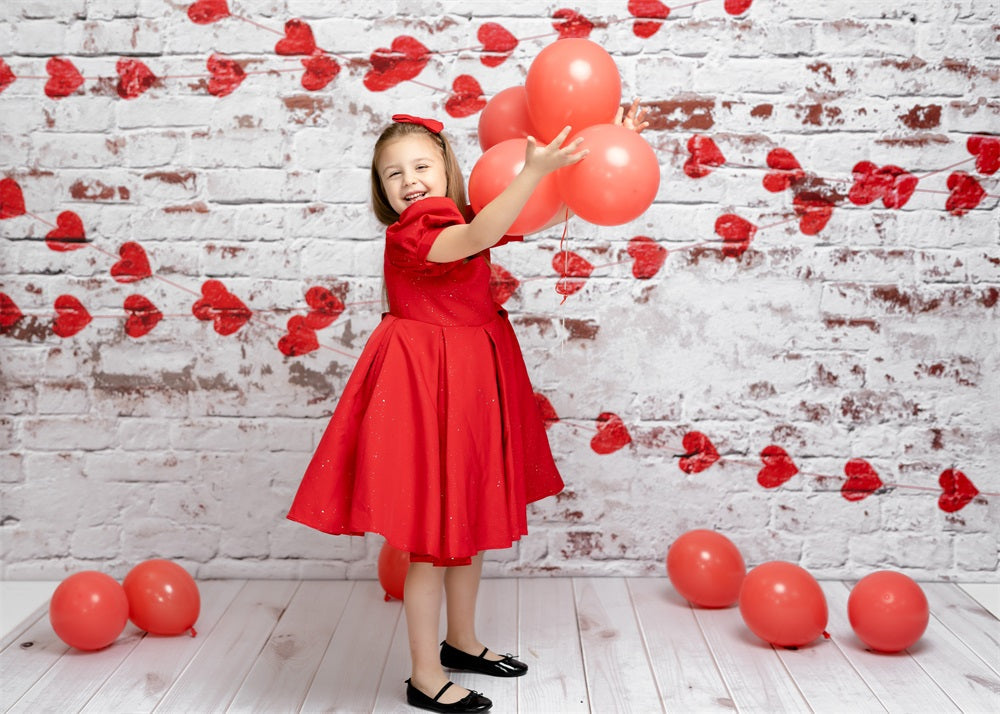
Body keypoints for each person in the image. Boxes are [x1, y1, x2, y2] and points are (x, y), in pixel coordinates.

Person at [288, 102, 648, 713]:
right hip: (427, 385)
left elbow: (538, 215)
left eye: (421, 165)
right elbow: (479, 238)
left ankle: (462, 641)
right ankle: (425, 676)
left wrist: (603, 151)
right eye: (392, 174)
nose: (409, 181)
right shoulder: (414, 232)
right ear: (381, 190)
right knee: (432, 538)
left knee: (468, 524)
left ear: (449, 167)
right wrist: (531, 172)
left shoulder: (463, 211)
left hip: (472, 379)